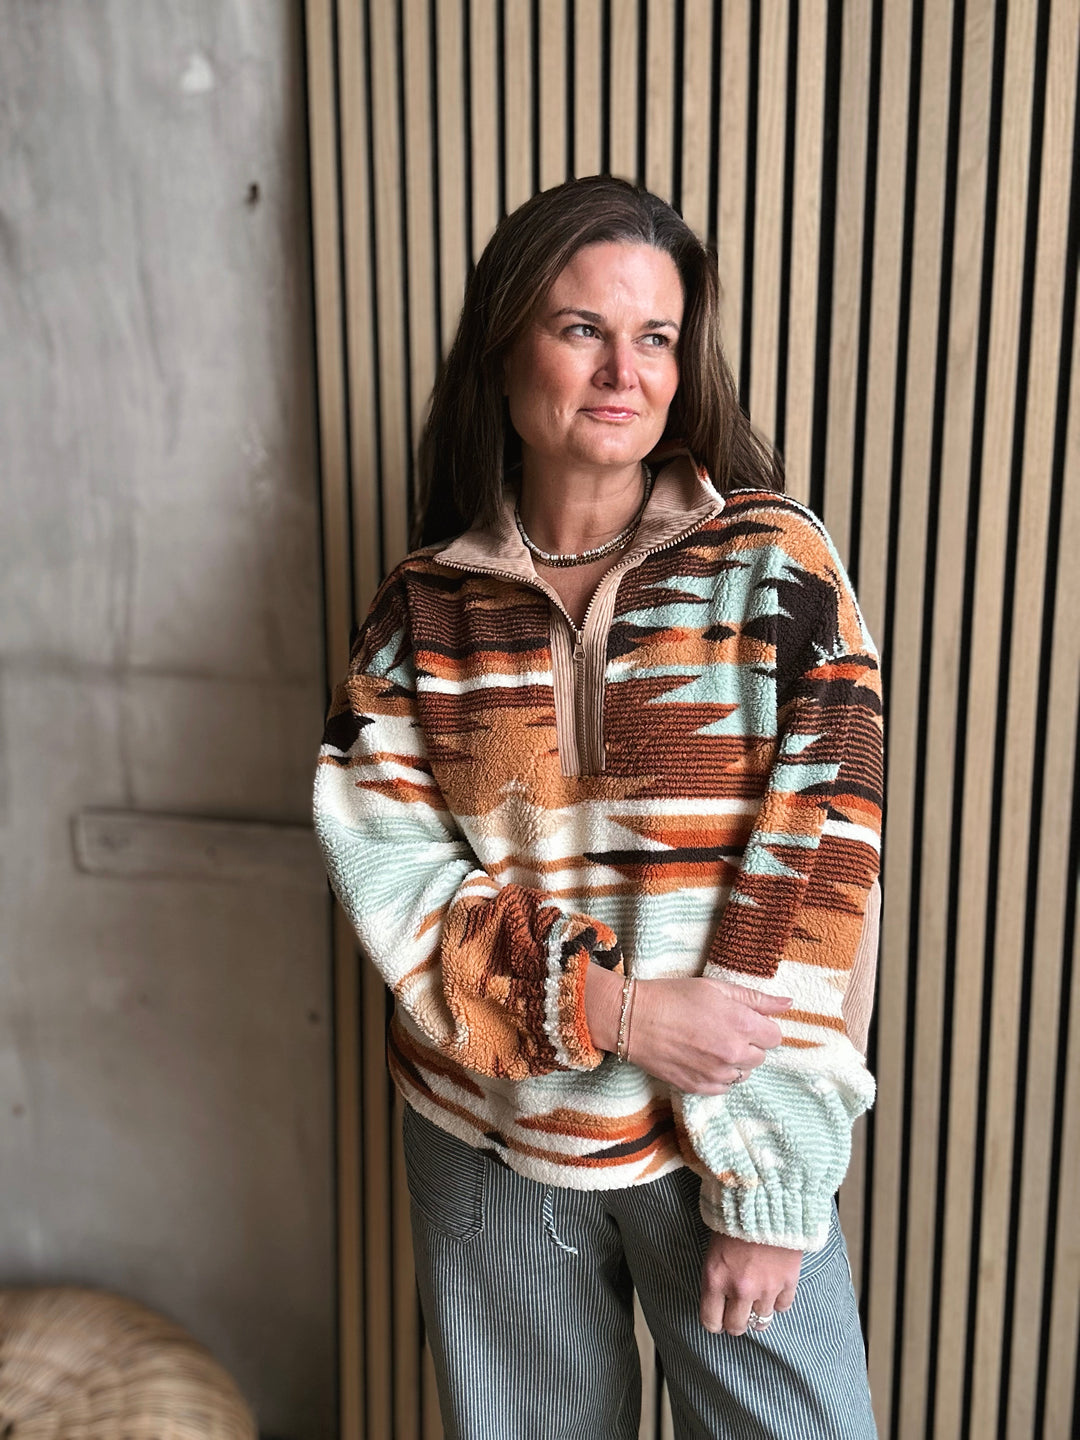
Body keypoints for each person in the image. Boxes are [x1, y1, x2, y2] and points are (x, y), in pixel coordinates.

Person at [314, 176, 883, 1440]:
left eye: (658, 336)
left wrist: (772, 1192)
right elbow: (394, 880)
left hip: (712, 1145)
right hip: (487, 1139)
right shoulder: (423, 613)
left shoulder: (774, 570)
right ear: (505, 344)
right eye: (582, 329)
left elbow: (823, 877)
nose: (624, 371)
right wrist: (612, 1007)